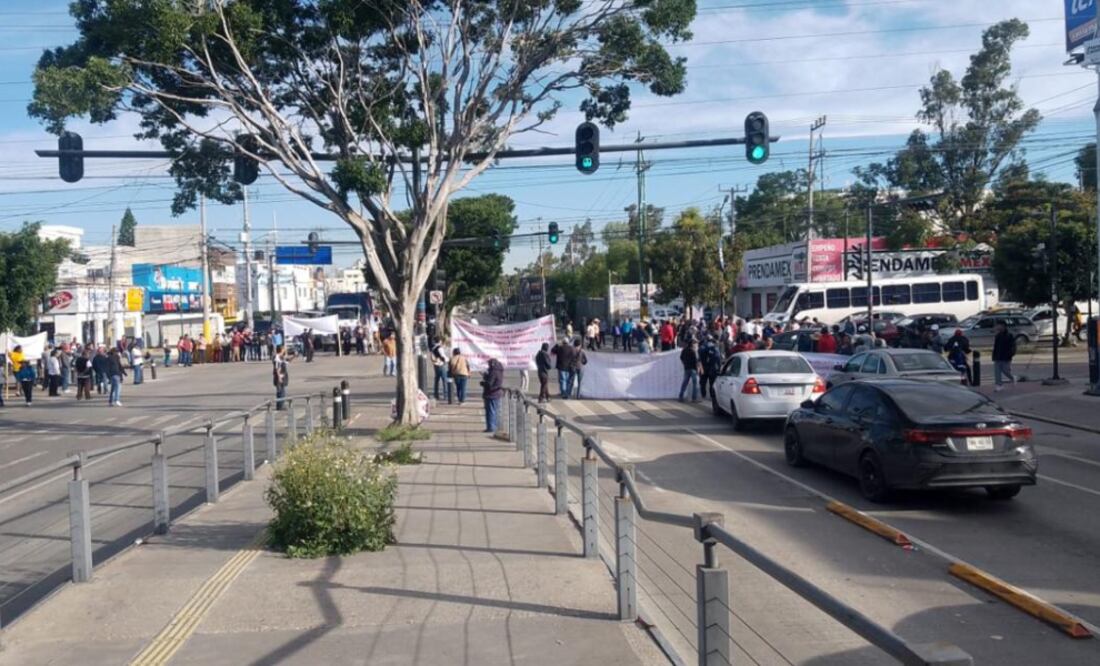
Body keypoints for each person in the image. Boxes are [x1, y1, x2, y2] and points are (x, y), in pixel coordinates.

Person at [480, 357, 505, 433]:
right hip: (496, 393)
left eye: (489, 364)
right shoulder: (499, 371)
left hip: (491, 394)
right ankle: (493, 426)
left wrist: (483, 383)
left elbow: (490, 384)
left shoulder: (493, 372)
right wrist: (485, 376)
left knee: (490, 411)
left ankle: (491, 427)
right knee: (494, 410)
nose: (488, 366)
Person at [992, 321, 1017, 392]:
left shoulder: (1009, 335)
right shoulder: (997, 336)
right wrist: (994, 356)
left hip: (1006, 357)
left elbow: (1013, 346)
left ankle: (1012, 378)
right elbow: (995, 347)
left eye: (998, 325)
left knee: (1005, 371)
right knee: (997, 371)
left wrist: (1011, 354)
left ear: (1003, 326)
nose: (997, 327)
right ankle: (999, 385)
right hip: (998, 357)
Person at [431, 337, 450, 402]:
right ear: (439, 341)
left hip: (436, 365)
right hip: (441, 365)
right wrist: (447, 360)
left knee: (436, 380)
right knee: (444, 380)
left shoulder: (433, 348)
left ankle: (436, 394)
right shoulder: (439, 348)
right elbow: (443, 356)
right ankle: (445, 395)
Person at [272, 345, 289, 409]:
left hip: (283, 376)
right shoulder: (277, 357)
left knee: (282, 391)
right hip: (279, 376)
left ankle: (281, 405)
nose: (285, 349)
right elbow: (277, 368)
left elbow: (287, 361)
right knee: (280, 392)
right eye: (284, 349)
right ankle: (279, 406)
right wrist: (279, 377)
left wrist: (294, 356)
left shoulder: (281, 356)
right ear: (281, 350)